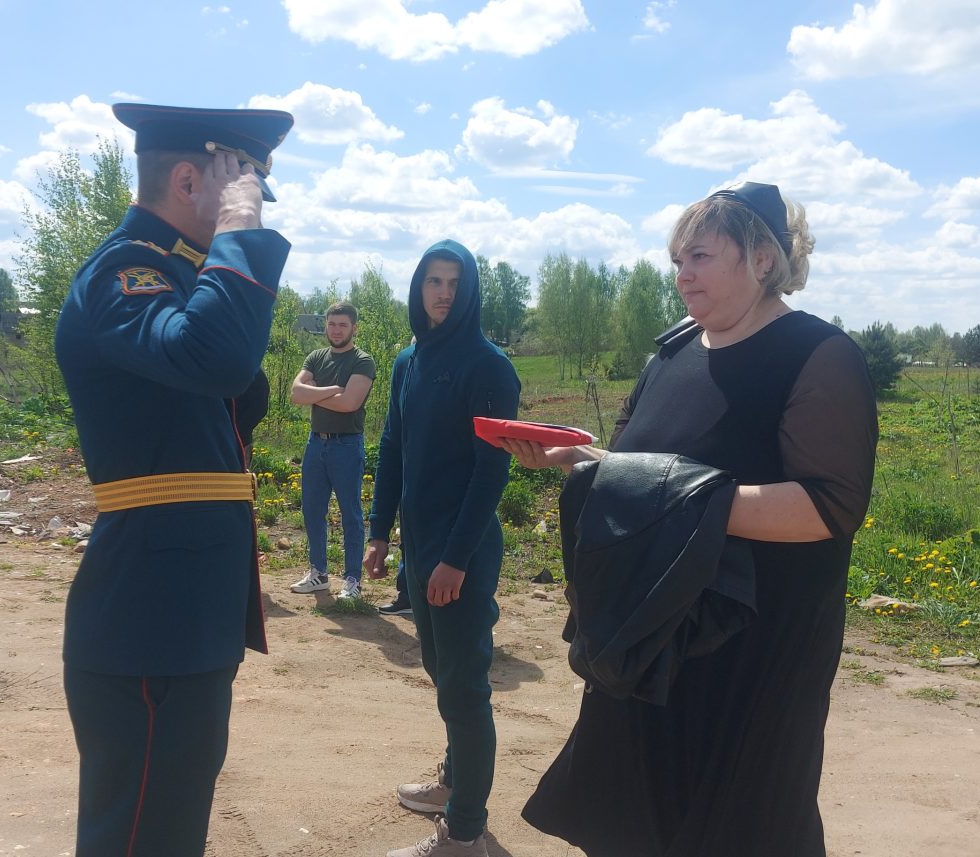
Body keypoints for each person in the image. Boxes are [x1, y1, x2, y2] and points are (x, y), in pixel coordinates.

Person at [503, 182, 878, 856]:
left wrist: (682, 501)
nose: (682, 275)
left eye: (700, 256)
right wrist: (581, 461)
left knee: (739, 829)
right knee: (631, 821)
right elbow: (635, 468)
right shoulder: (673, 353)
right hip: (649, 637)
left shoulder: (818, 356)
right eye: (677, 260)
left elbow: (831, 505)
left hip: (753, 654)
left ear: (762, 260)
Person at [53, 102, 293, 856]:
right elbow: (215, 359)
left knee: (169, 832)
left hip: (184, 620)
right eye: (239, 188)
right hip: (148, 626)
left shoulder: (178, 281)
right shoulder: (122, 276)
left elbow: (229, 386)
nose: (245, 210)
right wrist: (239, 230)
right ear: (189, 178)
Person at [363, 239, 521, 857]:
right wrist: (379, 533)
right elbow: (393, 451)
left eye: (456, 282)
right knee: (439, 669)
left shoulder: (489, 367)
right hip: (420, 546)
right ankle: (454, 785)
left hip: (465, 549)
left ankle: (463, 832)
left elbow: (490, 475)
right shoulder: (408, 362)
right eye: (434, 280)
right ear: (418, 287)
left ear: (471, 291)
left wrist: (455, 558)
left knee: (463, 684)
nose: (444, 293)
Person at [288, 302, 376, 600]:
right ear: (325, 325)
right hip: (316, 443)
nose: (336, 329)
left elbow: (350, 403)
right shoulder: (316, 357)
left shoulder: (363, 361)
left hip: (347, 445)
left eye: (342, 325)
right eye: (332, 324)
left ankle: (352, 579)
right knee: (312, 510)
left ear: (354, 328)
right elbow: (296, 393)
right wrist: (331, 390)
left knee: (351, 513)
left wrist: (313, 394)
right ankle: (318, 573)